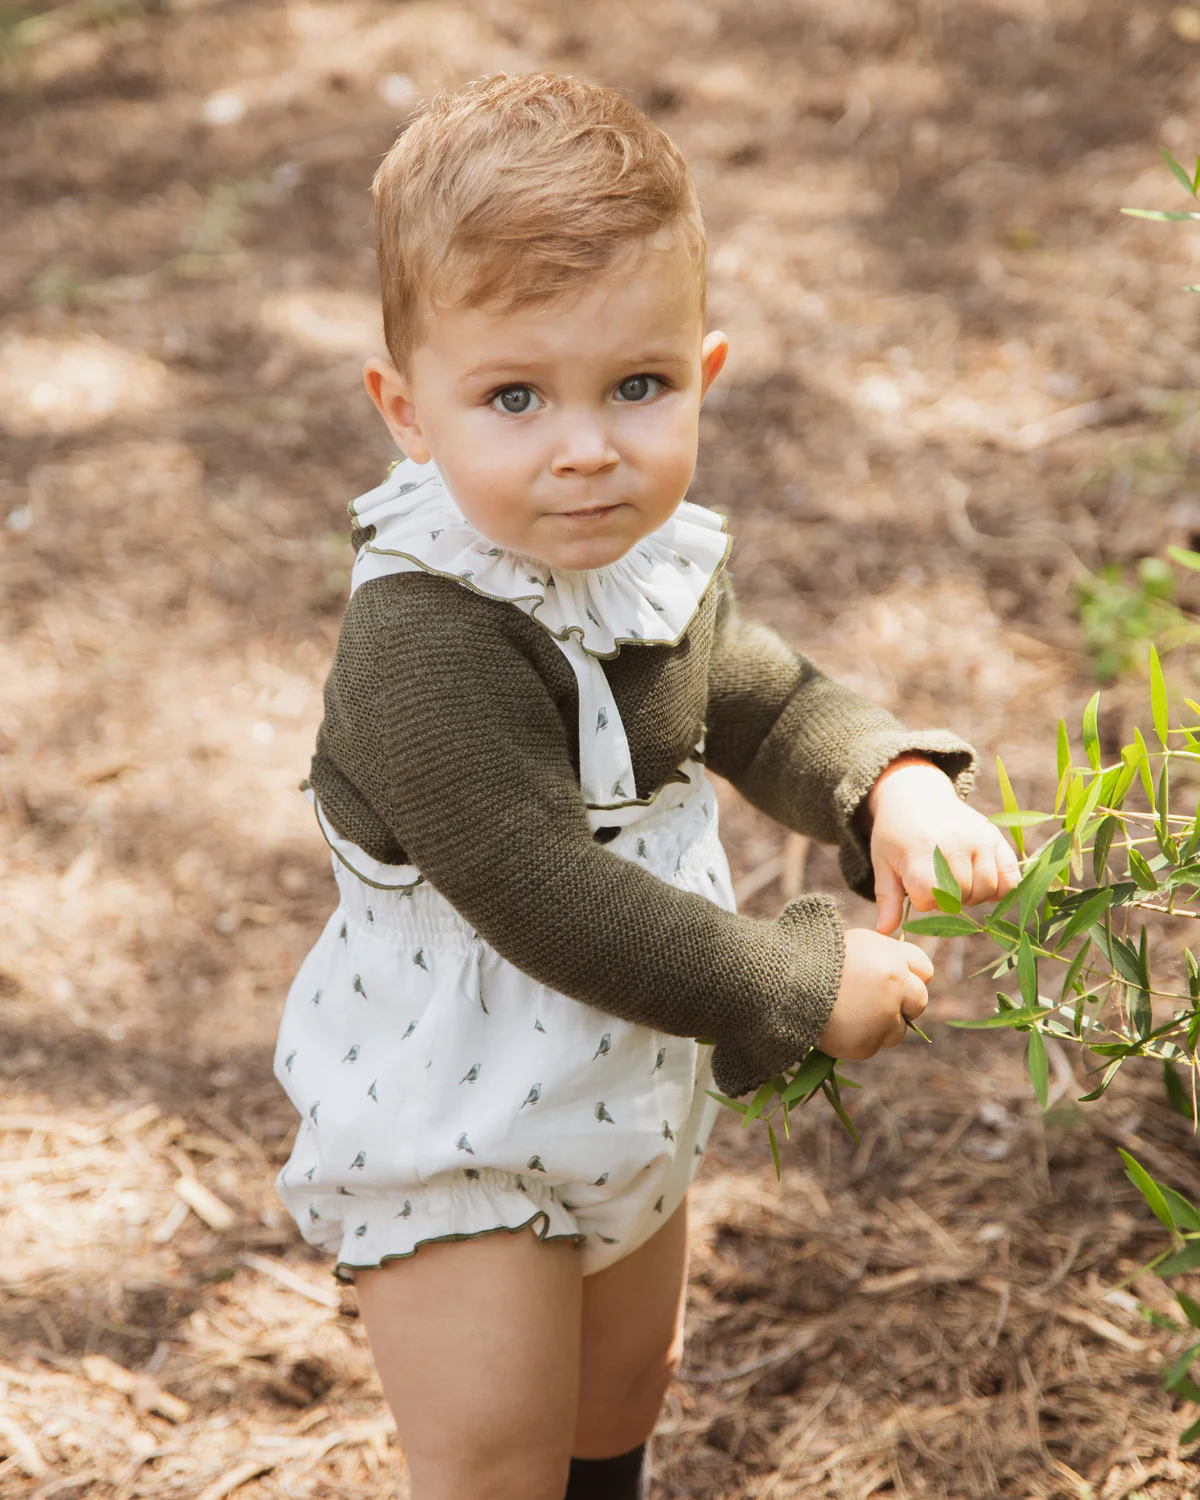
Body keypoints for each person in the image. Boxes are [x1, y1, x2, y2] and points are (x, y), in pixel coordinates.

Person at [272, 72, 1019, 1500]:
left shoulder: (647, 565)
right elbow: (544, 896)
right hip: (457, 1117)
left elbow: (757, 695)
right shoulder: (426, 636)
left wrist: (888, 784)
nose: (585, 446)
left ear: (705, 370)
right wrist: (801, 985)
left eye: (637, 386)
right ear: (404, 408)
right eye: (513, 395)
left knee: (623, 1387)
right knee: (494, 1452)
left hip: (628, 1074)